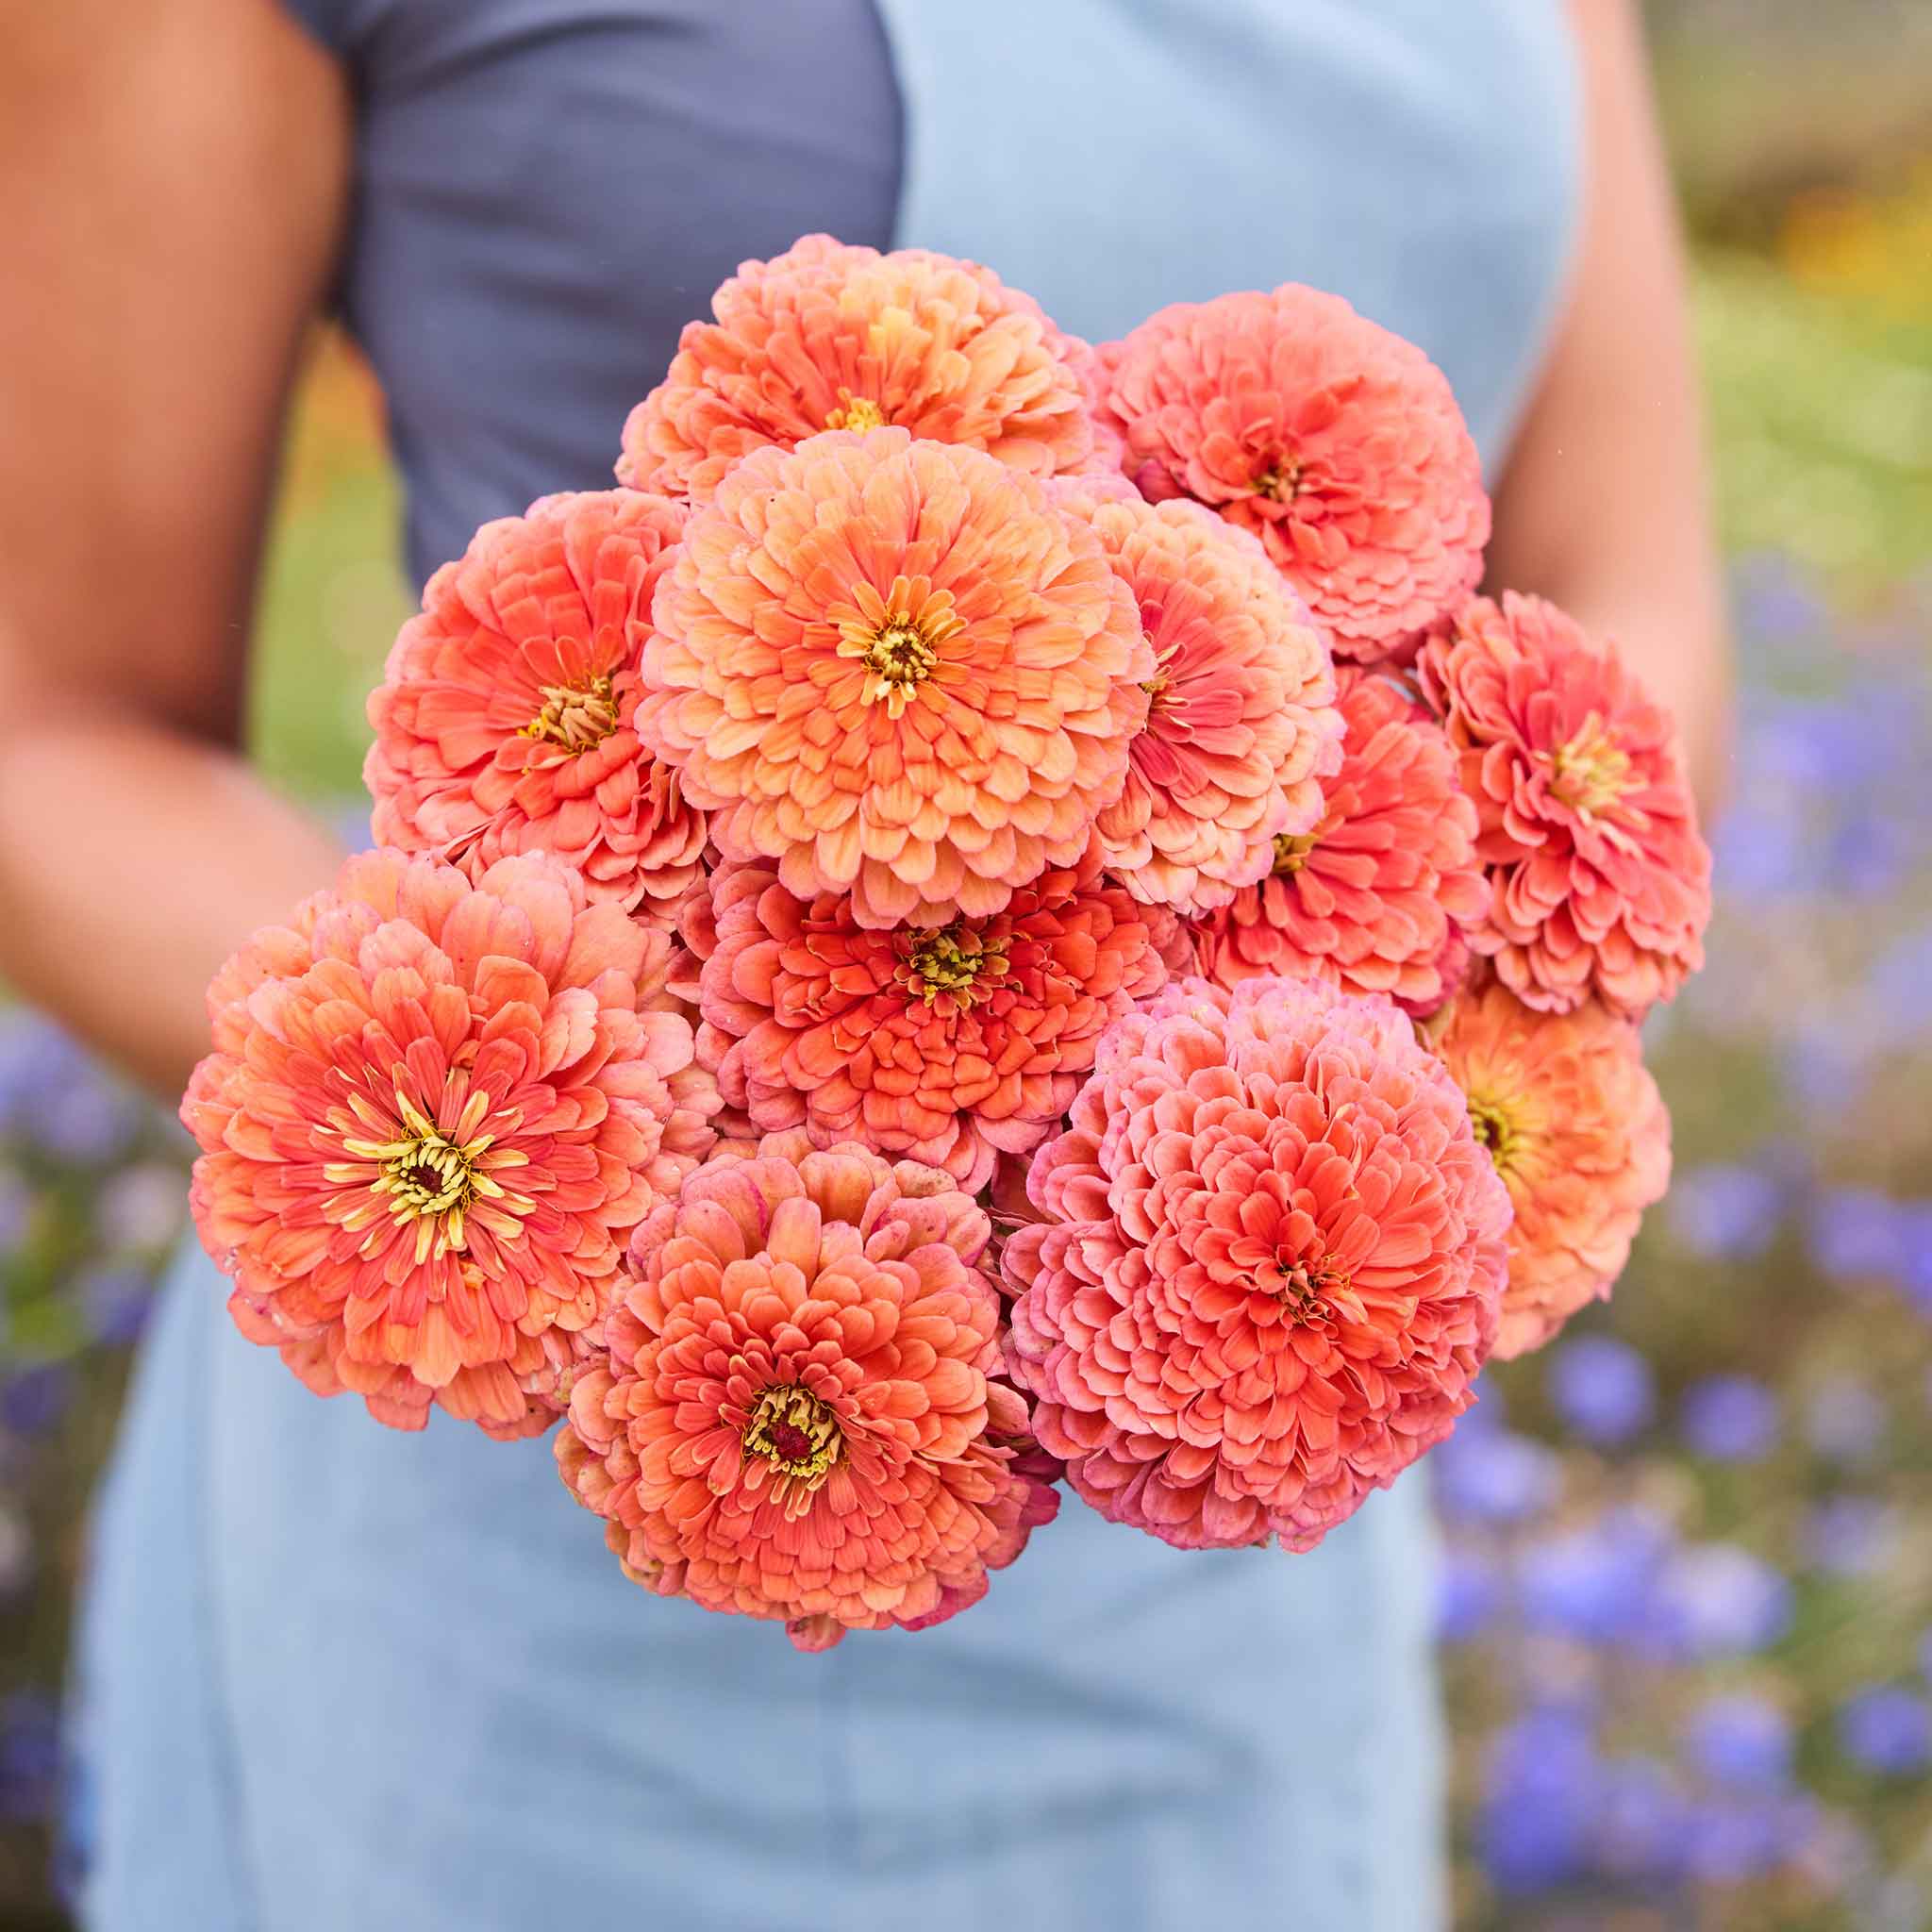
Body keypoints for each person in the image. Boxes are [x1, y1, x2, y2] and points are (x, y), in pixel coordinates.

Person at [0, 1, 1727, 1925]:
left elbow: (1627, 604)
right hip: (577, 1554)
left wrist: (1361, 1130)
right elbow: (45, 729)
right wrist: (563, 1107)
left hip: (1250, 1500)